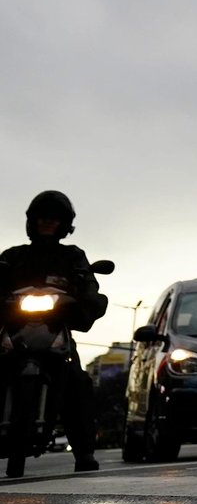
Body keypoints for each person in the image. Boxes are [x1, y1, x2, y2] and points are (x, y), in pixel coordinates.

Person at [0, 192, 106, 474]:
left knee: (77, 381)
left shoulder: (72, 257)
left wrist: (87, 300)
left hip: (55, 334)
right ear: (32, 221)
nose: (48, 222)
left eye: (54, 217)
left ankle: (84, 452)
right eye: (42, 216)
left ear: (64, 223)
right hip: (14, 335)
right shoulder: (12, 257)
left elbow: (89, 288)